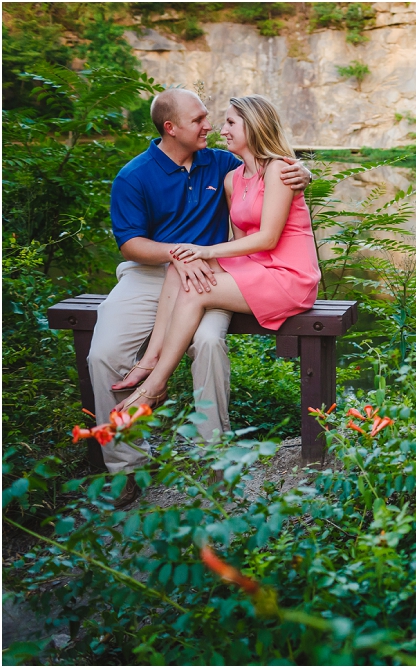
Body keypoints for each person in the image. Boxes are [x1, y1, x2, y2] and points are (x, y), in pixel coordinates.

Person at [89, 88, 313, 508]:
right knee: (102, 354)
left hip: (212, 274)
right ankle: (126, 467)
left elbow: (271, 167)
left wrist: (304, 172)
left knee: (208, 343)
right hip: (152, 273)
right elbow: (131, 244)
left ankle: (215, 458)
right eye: (199, 120)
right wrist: (179, 253)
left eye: (216, 119)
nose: (210, 126)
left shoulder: (220, 161)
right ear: (171, 128)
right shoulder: (134, 176)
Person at [112, 94, 321, 421]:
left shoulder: (279, 170)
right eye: (218, 122)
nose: (220, 130)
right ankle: (151, 359)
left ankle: (155, 385)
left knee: (196, 288)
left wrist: (206, 251)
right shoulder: (231, 177)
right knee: (181, 266)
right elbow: (242, 243)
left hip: (289, 277)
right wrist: (195, 257)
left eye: (230, 123)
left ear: (254, 126)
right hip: (258, 269)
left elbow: (266, 238)